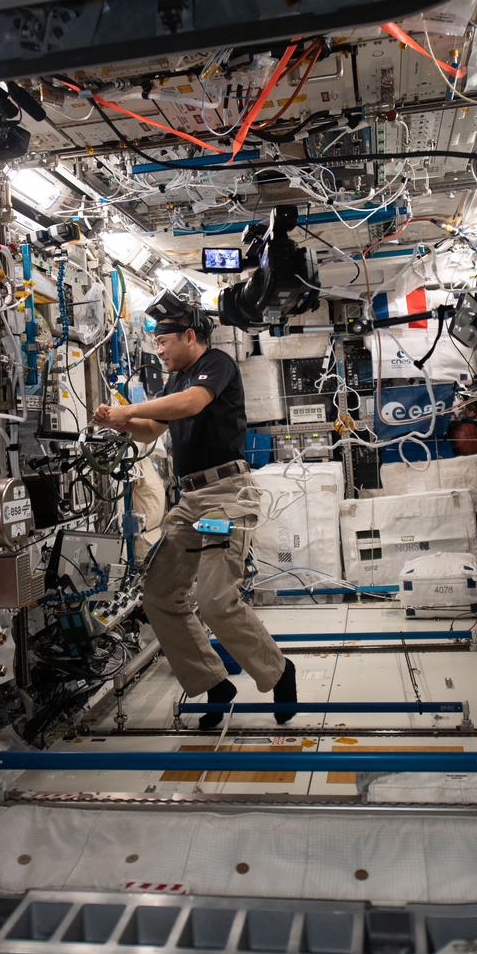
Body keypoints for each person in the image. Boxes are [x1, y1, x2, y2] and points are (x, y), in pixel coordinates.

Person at [92, 292, 296, 729]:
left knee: (215, 599)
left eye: (163, 342)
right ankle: (212, 683)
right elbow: (151, 430)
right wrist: (120, 422)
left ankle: (279, 671)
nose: (159, 351)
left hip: (225, 496)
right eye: (156, 343)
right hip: (190, 502)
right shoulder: (175, 381)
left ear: (189, 336)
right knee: (160, 595)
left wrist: (128, 408)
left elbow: (192, 404)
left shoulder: (216, 364)